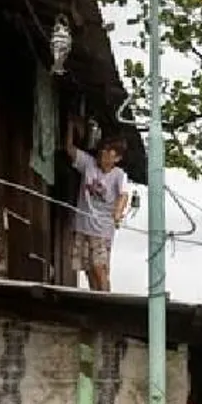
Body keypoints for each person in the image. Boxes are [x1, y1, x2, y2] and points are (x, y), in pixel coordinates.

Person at [65, 118, 129, 291]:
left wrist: (117, 213)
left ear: (117, 157)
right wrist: (70, 126)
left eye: (109, 152)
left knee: (100, 269)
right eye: (103, 150)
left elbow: (123, 195)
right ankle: (96, 299)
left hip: (102, 230)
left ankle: (107, 302)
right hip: (82, 226)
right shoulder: (88, 164)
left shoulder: (119, 175)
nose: (103, 154)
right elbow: (69, 149)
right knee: (87, 269)